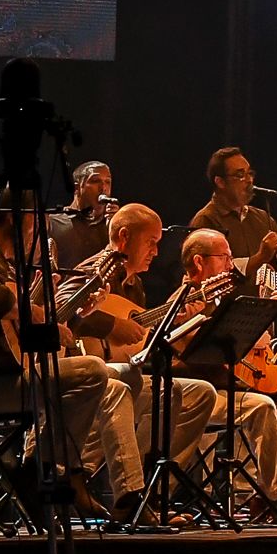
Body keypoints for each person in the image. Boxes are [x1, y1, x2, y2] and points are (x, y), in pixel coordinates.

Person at [0, 188, 146, 515]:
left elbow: (5, 333)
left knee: (98, 383)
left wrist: (55, 319)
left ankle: (48, 469)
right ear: (18, 219)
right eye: (36, 221)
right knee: (92, 371)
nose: (39, 232)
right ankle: (41, 469)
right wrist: (38, 313)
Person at [61, 204, 220, 477]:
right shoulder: (97, 269)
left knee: (198, 393)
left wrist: (173, 322)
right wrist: (112, 326)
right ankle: (95, 475)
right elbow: (61, 307)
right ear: (124, 237)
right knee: (131, 381)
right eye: (151, 242)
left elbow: (136, 343)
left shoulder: (136, 286)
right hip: (87, 375)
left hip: (122, 372)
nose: (156, 252)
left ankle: (153, 480)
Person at [168, 229, 277, 511]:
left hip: (233, 389)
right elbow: (191, 353)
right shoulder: (182, 302)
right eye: (224, 258)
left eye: (230, 258)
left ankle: (263, 497)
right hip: (202, 394)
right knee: (260, 406)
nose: (231, 265)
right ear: (199, 262)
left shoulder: (223, 299)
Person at [190, 147, 277, 291]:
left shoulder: (261, 217)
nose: (249, 180)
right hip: (226, 305)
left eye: (250, 173)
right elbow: (210, 278)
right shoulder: (205, 221)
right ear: (220, 182)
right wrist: (260, 258)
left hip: (264, 304)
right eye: (240, 175)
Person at [49, 162, 116, 273]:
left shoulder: (111, 223)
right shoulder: (53, 222)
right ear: (77, 187)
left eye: (108, 182)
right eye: (95, 181)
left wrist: (116, 226)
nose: (103, 188)